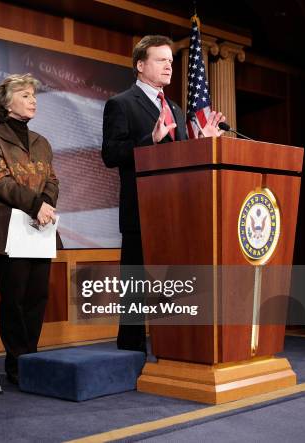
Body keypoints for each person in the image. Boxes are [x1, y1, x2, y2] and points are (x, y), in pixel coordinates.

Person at [101, 35, 225, 353]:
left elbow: (181, 159)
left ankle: (172, 346)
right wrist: (149, 140)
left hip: (176, 212)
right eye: (161, 60)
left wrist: (203, 142)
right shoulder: (121, 103)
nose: (169, 65)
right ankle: (129, 352)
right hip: (141, 211)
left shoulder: (174, 107)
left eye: (171, 60)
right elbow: (111, 154)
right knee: (136, 286)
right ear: (141, 66)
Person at [0, 73, 60, 385]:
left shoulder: (42, 142)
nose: (33, 100)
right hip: (7, 230)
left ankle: (32, 358)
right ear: (6, 103)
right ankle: (17, 364)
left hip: (39, 228)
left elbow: (52, 179)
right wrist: (35, 205)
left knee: (37, 296)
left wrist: (45, 205)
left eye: (33, 95)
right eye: (25, 95)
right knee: (14, 296)